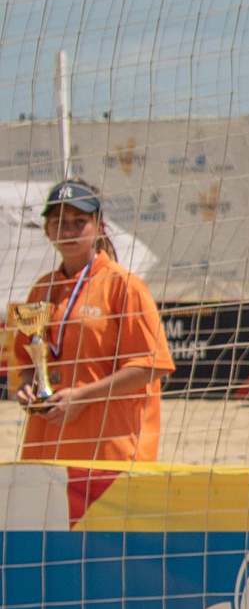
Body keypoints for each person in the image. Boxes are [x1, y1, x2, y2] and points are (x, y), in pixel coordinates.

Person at [7, 180, 175, 462]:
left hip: (110, 448)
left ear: (99, 228)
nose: (68, 230)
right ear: (47, 230)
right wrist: (27, 386)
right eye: (59, 222)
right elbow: (26, 360)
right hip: (48, 445)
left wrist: (83, 396)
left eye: (79, 221)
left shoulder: (125, 285)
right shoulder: (41, 289)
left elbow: (152, 365)